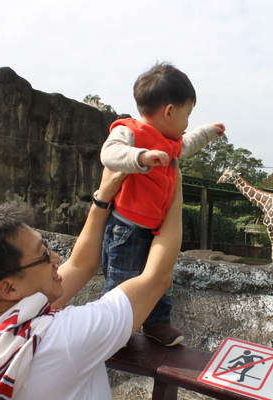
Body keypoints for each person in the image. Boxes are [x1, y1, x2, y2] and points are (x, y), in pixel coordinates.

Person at [0, 168, 184, 400]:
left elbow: (79, 265)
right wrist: (173, 188)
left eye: (47, 246)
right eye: (43, 255)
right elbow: (156, 278)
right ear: (9, 288)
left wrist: (102, 199)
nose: (56, 259)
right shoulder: (62, 338)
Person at [99, 61, 225, 346]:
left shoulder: (171, 140)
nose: (188, 122)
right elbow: (110, 153)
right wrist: (141, 157)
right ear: (170, 111)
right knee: (124, 278)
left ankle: (155, 323)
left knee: (159, 280)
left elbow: (189, 142)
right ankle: (111, 326)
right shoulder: (130, 130)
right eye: (188, 114)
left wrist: (208, 131)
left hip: (155, 230)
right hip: (127, 228)